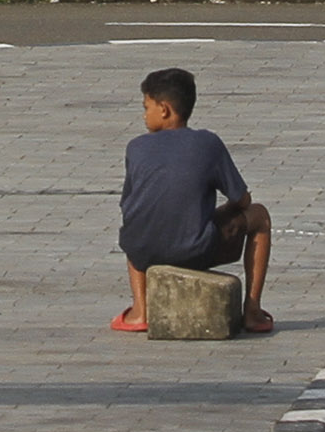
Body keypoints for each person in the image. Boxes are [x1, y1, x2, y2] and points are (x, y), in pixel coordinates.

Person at [111, 66, 273, 335]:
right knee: (260, 215)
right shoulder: (207, 143)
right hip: (195, 250)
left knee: (137, 225)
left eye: (146, 107)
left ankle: (140, 311)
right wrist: (224, 211)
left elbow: (129, 205)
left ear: (164, 109)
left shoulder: (135, 147)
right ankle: (253, 310)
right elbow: (242, 199)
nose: (144, 115)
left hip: (143, 253)